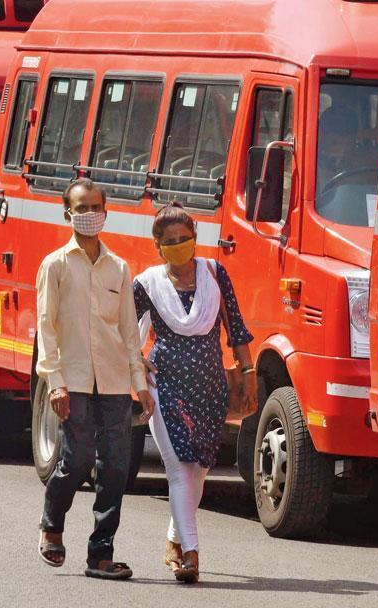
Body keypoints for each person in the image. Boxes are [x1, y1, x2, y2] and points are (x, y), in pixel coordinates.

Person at [36, 178, 155, 581]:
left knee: (116, 468)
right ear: (67, 212)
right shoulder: (54, 265)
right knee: (78, 459)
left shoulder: (119, 268)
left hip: (115, 381)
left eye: (95, 208)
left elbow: (127, 332)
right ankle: (52, 525)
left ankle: (100, 554)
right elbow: (46, 327)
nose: (89, 215)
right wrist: (55, 381)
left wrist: (139, 382)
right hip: (72, 380)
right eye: (81, 208)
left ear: (106, 211)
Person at [133, 202, 254, 583]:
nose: (179, 245)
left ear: (195, 239)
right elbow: (123, 334)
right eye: (170, 241)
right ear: (158, 245)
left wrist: (248, 372)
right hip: (165, 386)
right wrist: (137, 365)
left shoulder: (215, 274)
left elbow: (236, 328)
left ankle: (173, 540)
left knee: (200, 470)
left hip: (210, 387)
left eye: (184, 239)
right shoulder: (146, 284)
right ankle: (191, 551)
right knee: (180, 469)